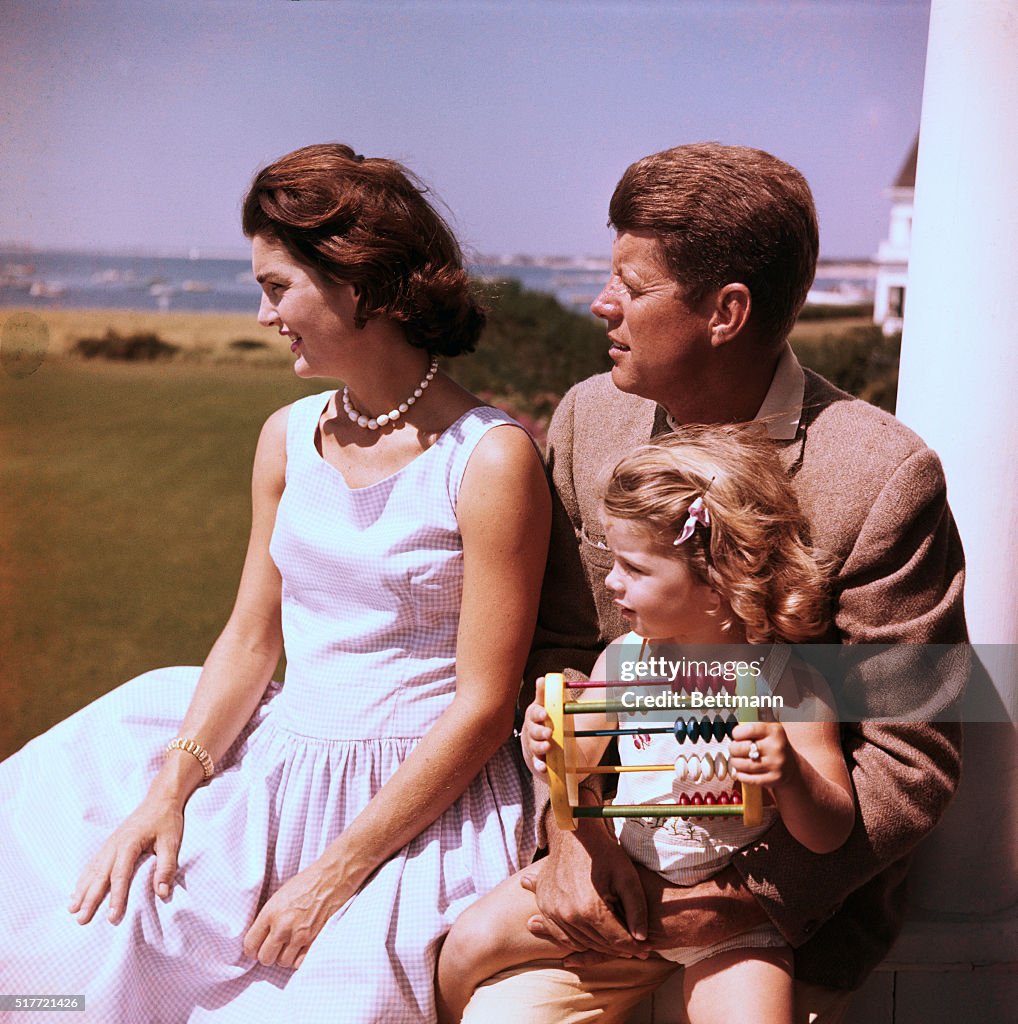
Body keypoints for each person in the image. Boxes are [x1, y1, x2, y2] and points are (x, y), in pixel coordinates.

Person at [0, 143, 550, 1022]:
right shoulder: (286, 436)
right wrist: (168, 792)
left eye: (276, 287)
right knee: (79, 941)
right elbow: (252, 638)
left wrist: (333, 874)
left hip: (414, 812)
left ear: (359, 283)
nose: (262, 315)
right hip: (270, 769)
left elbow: (484, 708)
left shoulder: (488, 461)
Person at [460, 143, 967, 1023]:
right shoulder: (590, 416)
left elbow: (909, 752)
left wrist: (742, 896)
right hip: (607, 884)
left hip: (784, 916)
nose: (601, 302)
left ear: (726, 311)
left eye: (632, 283)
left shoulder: (885, 475)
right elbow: (563, 652)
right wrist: (573, 841)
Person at [437, 427, 855, 1023]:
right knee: (466, 947)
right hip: (619, 881)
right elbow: (578, 772)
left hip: (729, 924)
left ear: (717, 582)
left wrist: (789, 776)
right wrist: (550, 744)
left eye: (633, 568)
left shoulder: (791, 685)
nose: (612, 583)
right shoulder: (625, 661)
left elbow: (830, 832)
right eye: (613, 563)